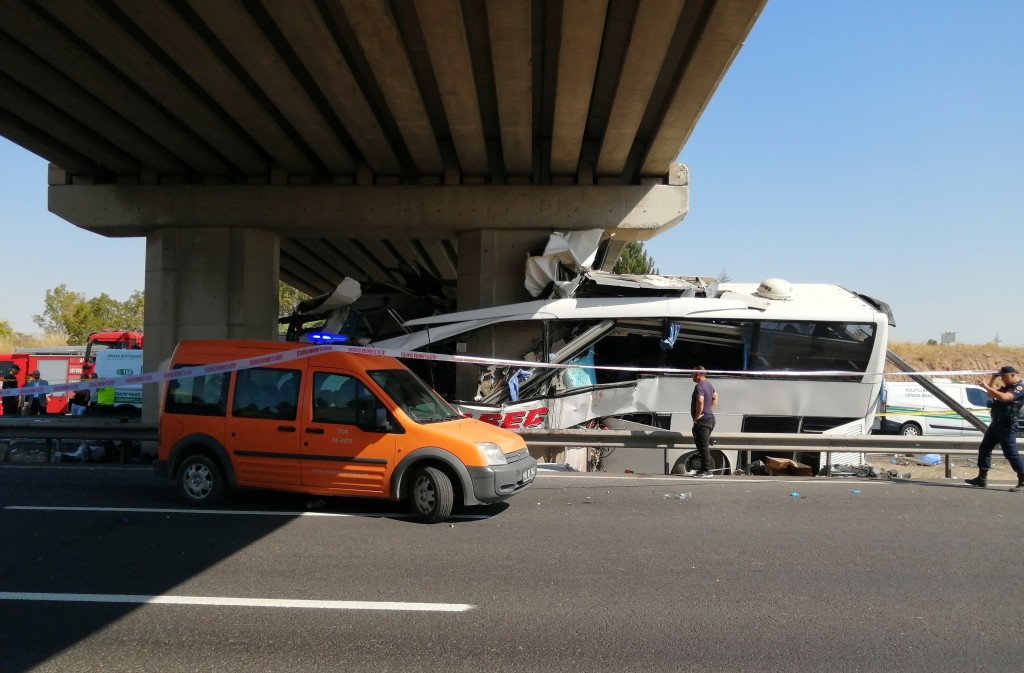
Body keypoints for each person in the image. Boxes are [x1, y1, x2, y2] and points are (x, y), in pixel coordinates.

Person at [966, 365, 1024, 492]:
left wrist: (986, 385)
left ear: (1013, 374)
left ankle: (1023, 480)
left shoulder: (1019, 387)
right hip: (996, 424)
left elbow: (1004, 398)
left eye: (1004, 376)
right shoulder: (1008, 386)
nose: (1002, 379)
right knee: (984, 448)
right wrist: (992, 379)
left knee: (1011, 454)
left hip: (1007, 425)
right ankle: (982, 478)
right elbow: (990, 393)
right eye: (1001, 376)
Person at [690, 365, 719, 478]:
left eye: (692, 373)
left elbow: (700, 401)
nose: (691, 375)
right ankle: (704, 469)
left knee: (703, 446)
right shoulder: (709, 384)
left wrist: (697, 416)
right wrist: (710, 410)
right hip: (710, 419)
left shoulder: (699, 386)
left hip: (703, 421)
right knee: (703, 446)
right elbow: (716, 397)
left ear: (698, 374)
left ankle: (706, 471)